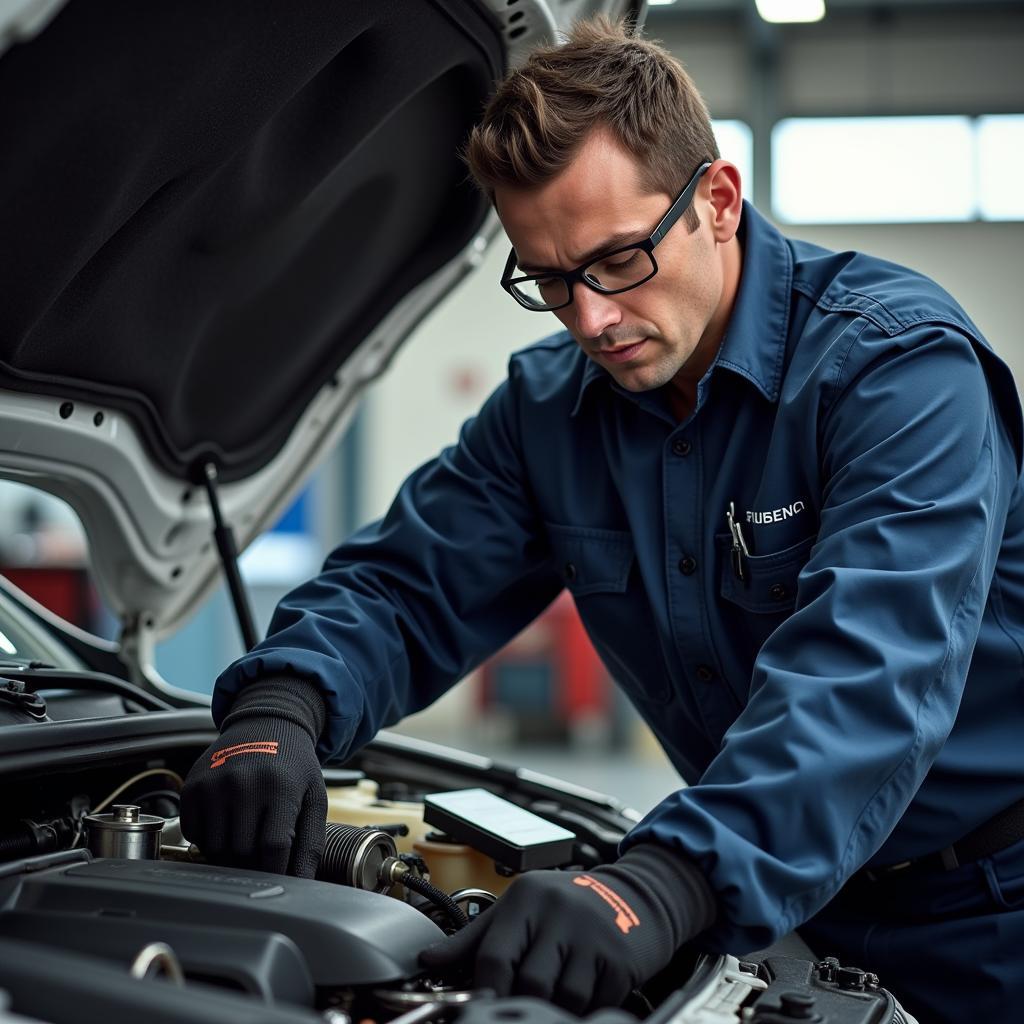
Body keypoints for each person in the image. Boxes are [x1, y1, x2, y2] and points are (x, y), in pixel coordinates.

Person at [181, 17, 1024, 1022]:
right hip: (786, 908)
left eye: (617, 261)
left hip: (992, 910)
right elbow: (405, 587)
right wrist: (283, 706)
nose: (591, 321)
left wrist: (666, 879)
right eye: (547, 279)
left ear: (715, 200)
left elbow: (865, 677)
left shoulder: (896, 372)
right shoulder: (550, 414)